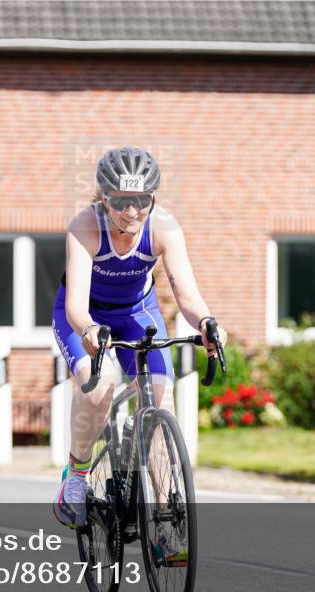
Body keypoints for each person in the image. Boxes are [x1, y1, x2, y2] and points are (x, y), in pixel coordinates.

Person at [52, 146, 226, 528]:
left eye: (142, 201)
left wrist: (206, 323)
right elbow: (76, 305)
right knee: (100, 387)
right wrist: (89, 330)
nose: (132, 212)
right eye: (121, 202)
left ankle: (164, 517)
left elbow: (187, 295)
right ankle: (76, 477)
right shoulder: (85, 226)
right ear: (104, 198)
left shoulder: (164, 227)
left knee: (162, 401)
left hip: (137, 313)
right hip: (86, 316)